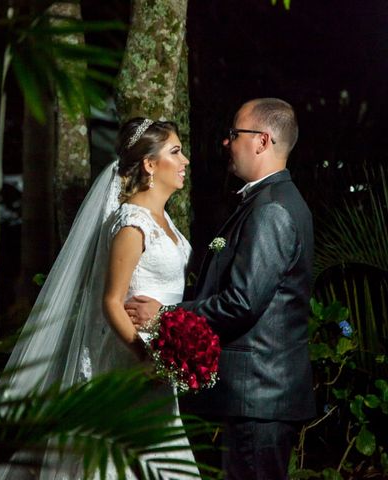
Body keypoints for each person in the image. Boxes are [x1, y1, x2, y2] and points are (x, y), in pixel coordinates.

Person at [0, 117, 200, 479]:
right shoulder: (132, 223)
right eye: (176, 152)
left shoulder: (164, 219)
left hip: (159, 362)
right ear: (150, 164)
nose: (184, 161)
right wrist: (144, 356)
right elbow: (111, 301)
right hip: (129, 360)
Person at [125, 98, 316, 480]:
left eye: (234, 134)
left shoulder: (272, 209)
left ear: (261, 141)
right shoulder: (265, 201)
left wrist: (164, 316)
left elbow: (242, 302)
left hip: (259, 397)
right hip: (255, 398)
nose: (227, 143)